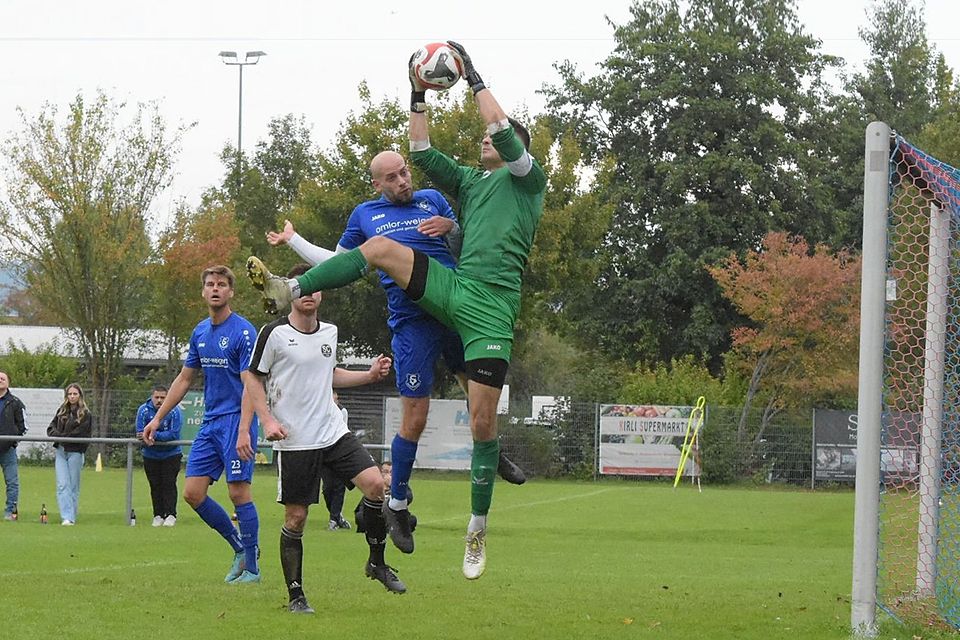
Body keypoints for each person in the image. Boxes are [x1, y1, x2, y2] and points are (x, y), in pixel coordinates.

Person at [246, 41, 545, 580]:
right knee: (381, 251)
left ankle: (477, 529)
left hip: (494, 308)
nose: (484, 139)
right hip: (455, 290)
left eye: (492, 137)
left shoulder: (527, 179)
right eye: (396, 175)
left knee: (482, 423)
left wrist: (473, 75)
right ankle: (290, 289)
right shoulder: (468, 182)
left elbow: (499, 124)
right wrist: (417, 92)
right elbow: (422, 147)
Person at [264, 154, 526, 554]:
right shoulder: (366, 215)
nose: (403, 180)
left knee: (478, 398)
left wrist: (452, 226)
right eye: (392, 177)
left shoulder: (432, 199)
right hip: (411, 320)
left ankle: (492, 450)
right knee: (415, 417)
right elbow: (343, 263)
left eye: (405, 172)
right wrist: (295, 241)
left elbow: (473, 243)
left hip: (454, 305)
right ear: (377, 185)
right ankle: (398, 502)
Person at [241, 263, 402, 613]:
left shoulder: (330, 332)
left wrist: (369, 375)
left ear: (322, 292)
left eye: (316, 287)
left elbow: (330, 375)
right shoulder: (274, 333)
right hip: (296, 438)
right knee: (296, 519)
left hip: (332, 432)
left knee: (376, 485)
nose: (310, 293)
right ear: (292, 292)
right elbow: (252, 377)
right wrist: (266, 421)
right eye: (303, 287)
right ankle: (296, 595)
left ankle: (376, 562)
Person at [142, 265, 261, 583]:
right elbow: (184, 378)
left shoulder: (244, 331)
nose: (216, 289)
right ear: (203, 291)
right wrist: (157, 418)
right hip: (211, 422)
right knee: (193, 493)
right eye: (210, 284)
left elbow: (251, 383)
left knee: (238, 493)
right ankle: (239, 547)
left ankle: (252, 566)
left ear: (231, 292)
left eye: (222, 284)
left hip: (238, 419)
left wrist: (244, 429)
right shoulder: (200, 333)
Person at [136, 384, 183, 527]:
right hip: (150, 454)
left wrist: (153, 435)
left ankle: (170, 514)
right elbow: (139, 432)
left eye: (163, 397)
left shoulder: (175, 411)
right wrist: (147, 436)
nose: (159, 400)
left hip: (171, 454)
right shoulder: (143, 410)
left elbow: (173, 434)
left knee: (169, 484)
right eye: (156, 397)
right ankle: (157, 515)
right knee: (155, 486)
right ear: (152, 397)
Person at [47, 383, 92, 525]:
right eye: (70, 394)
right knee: (62, 484)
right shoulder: (61, 411)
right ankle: (66, 516)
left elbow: (81, 432)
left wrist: (64, 437)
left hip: (75, 452)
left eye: (75, 394)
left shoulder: (85, 414)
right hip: (61, 451)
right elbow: (51, 428)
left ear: (80, 395)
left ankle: (71, 516)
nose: (72, 397)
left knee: (73, 485)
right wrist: (59, 436)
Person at [321, 391, 350, 531]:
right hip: (324, 452)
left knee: (339, 486)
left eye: (336, 398)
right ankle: (337, 517)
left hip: (339, 452)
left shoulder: (342, 411)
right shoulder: (320, 410)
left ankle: (333, 519)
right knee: (327, 489)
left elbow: (343, 430)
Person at [0, 370, 26, 521]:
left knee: (12, 482)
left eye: (3, 378)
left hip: (8, 450)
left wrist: (14, 441)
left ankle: (10, 512)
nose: (0, 380)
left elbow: (23, 426)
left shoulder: (16, 403)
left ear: (8, 382)